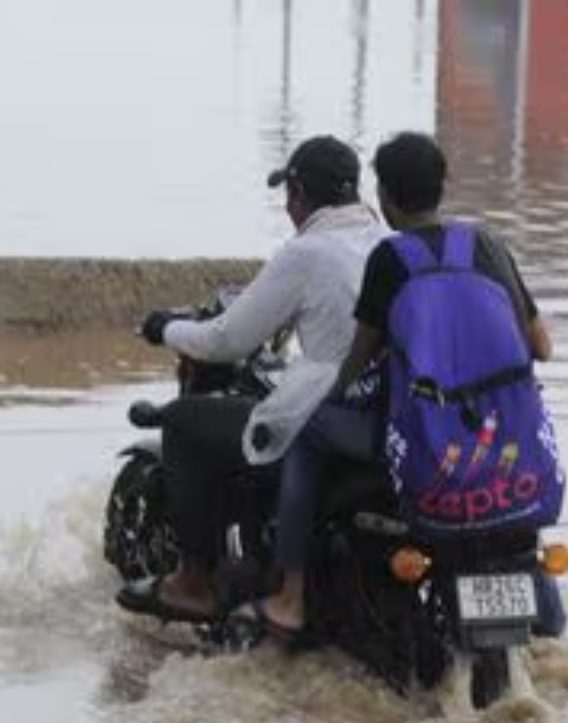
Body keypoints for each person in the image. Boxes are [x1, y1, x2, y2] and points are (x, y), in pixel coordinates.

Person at [242, 130, 555, 637]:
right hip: (504, 441)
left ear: (384, 197)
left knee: (307, 431)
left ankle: (291, 595)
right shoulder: (489, 246)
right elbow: (542, 348)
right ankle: (548, 613)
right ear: (442, 187)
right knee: (516, 521)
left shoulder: (392, 259)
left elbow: (357, 360)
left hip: (426, 442)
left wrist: (328, 396)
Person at [117, 135, 389, 624]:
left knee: (185, 421)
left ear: (299, 195)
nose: (288, 206)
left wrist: (166, 329)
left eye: (289, 195)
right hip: (386, 412)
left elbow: (227, 341)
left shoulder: (306, 252)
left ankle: (193, 584)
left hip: (328, 409)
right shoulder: (390, 243)